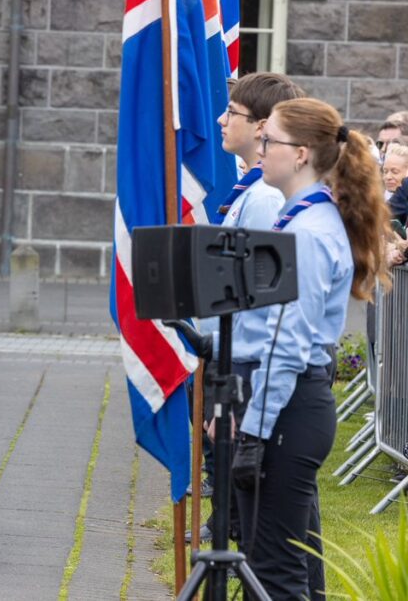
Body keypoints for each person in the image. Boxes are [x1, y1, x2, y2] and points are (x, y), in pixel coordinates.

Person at [232, 98, 387, 599]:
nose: (261, 149)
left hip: (290, 406)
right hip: (288, 403)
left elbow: (287, 344)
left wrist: (254, 432)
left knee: (277, 570)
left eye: (269, 140)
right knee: (271, 561)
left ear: (300, 154)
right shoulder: (301, 221)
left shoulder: (309, 233)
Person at [175, 72, 305, 544]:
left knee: (242, 479)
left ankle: (229, 540)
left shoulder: (265, 197)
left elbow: (262, 295)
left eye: (232, 113)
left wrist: (236, 374)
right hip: (227, 350)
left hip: (245, 356)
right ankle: (224, 530)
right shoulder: (249, 190)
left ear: (262, 126)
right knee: (222, 463)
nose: (219, 119)